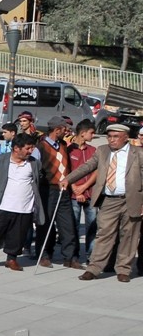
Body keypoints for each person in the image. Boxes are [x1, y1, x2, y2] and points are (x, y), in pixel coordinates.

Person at [65, 124, 141, 283]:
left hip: (131, 200)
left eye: (115, 136)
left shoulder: (138, 153)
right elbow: (87, 167)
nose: (111, 140)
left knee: (129, 235)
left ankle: (123, 269)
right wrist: (68, 179)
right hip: (109, 200)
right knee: (103, 234)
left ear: (125, 137)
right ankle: (93, 268)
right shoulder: (103, 151)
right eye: (109, 136)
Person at [0, 133, 44, 272]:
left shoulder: (34, 163)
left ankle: (12, 259)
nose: (31, 151)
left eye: (32, 148)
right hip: (4, 205)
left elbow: (39, 178)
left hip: (24, 207)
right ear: (16, 148)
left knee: (18, 235)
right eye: (28, 148)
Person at [36, 118, 80, 269]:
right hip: (48, 189)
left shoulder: (63, 145)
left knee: (67, 224)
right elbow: (36, 168)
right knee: (46, 223)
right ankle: (44, 254)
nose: (66, 132)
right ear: (57, 130)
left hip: (63, 189)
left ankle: (70, 257)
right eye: (64, 129)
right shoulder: (41, 146)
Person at [67, 119, 99, 261]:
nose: (93, 136)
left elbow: (96, 171)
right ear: (83, 133)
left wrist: (84, 188)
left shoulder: (93, 151)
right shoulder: (69, 150)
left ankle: (90, 255)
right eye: (91, 133)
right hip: (74, 195)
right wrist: (75, 190)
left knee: (92, 226)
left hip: (90, 194)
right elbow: (67, 172)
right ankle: (73, 255)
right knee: (73, 225)